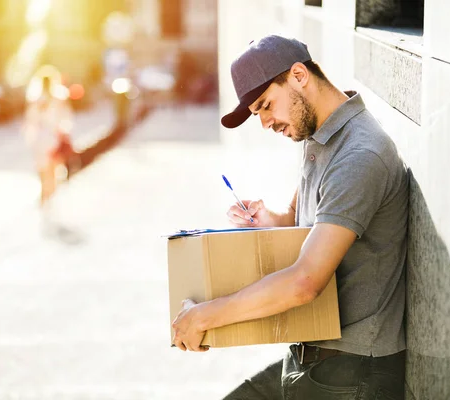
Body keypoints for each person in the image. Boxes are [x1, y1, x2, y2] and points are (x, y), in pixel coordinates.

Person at [171, 35, 409, 399]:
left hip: (353, 374)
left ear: (299, 75)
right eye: (257, 114)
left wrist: (204, 316)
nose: (265, 123)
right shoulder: (322, 136)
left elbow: (304, 282)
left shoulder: (359, 155)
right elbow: (303, 219)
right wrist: (270, 219)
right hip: (311, 358)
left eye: (266, 106)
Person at [22, 69, 74, 206]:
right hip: (53, 138)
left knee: (42, 168)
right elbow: (66, 119)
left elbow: (30, 120)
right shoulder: (59, 99)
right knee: (53, 170)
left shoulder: (35, 100)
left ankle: (45, 194)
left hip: (39, 139)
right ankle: (49, 194)